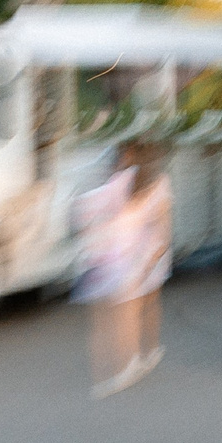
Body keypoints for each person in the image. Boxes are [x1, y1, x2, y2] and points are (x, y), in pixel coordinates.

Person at [74, 140, 173, 397]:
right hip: (138, 252)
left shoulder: (129, 181)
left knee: (125, 311)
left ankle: (129, 361)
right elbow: (160, 218)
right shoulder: (146, 182)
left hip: (130, 253)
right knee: (138, 306)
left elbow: (92, 207)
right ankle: (138, 356)